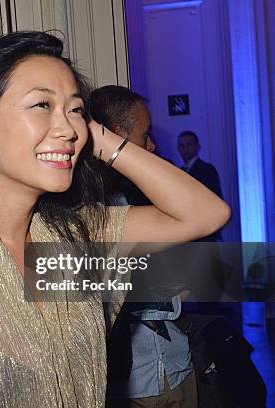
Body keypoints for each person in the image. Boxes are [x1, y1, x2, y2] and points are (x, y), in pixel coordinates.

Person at [0, 31, 230, 407]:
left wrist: (96, 137)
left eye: (75, 109)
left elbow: (206, 214)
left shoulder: (80, 235)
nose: (67, 128)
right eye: (41, 105)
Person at [91, 85, 197, 407]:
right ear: (118, 136)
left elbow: (190, 268)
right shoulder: (81, 208)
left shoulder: (146, 195)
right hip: (131, 383)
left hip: (178, 363)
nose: (152, 145)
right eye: (146, 134)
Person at [177, 131, 223, 241]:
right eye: (181, 145)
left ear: (197, 146)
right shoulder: (178, 171)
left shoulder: (207, 170)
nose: (185, 149)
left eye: (189, 144)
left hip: (204, 232)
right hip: (186, 232)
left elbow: (216, 201)